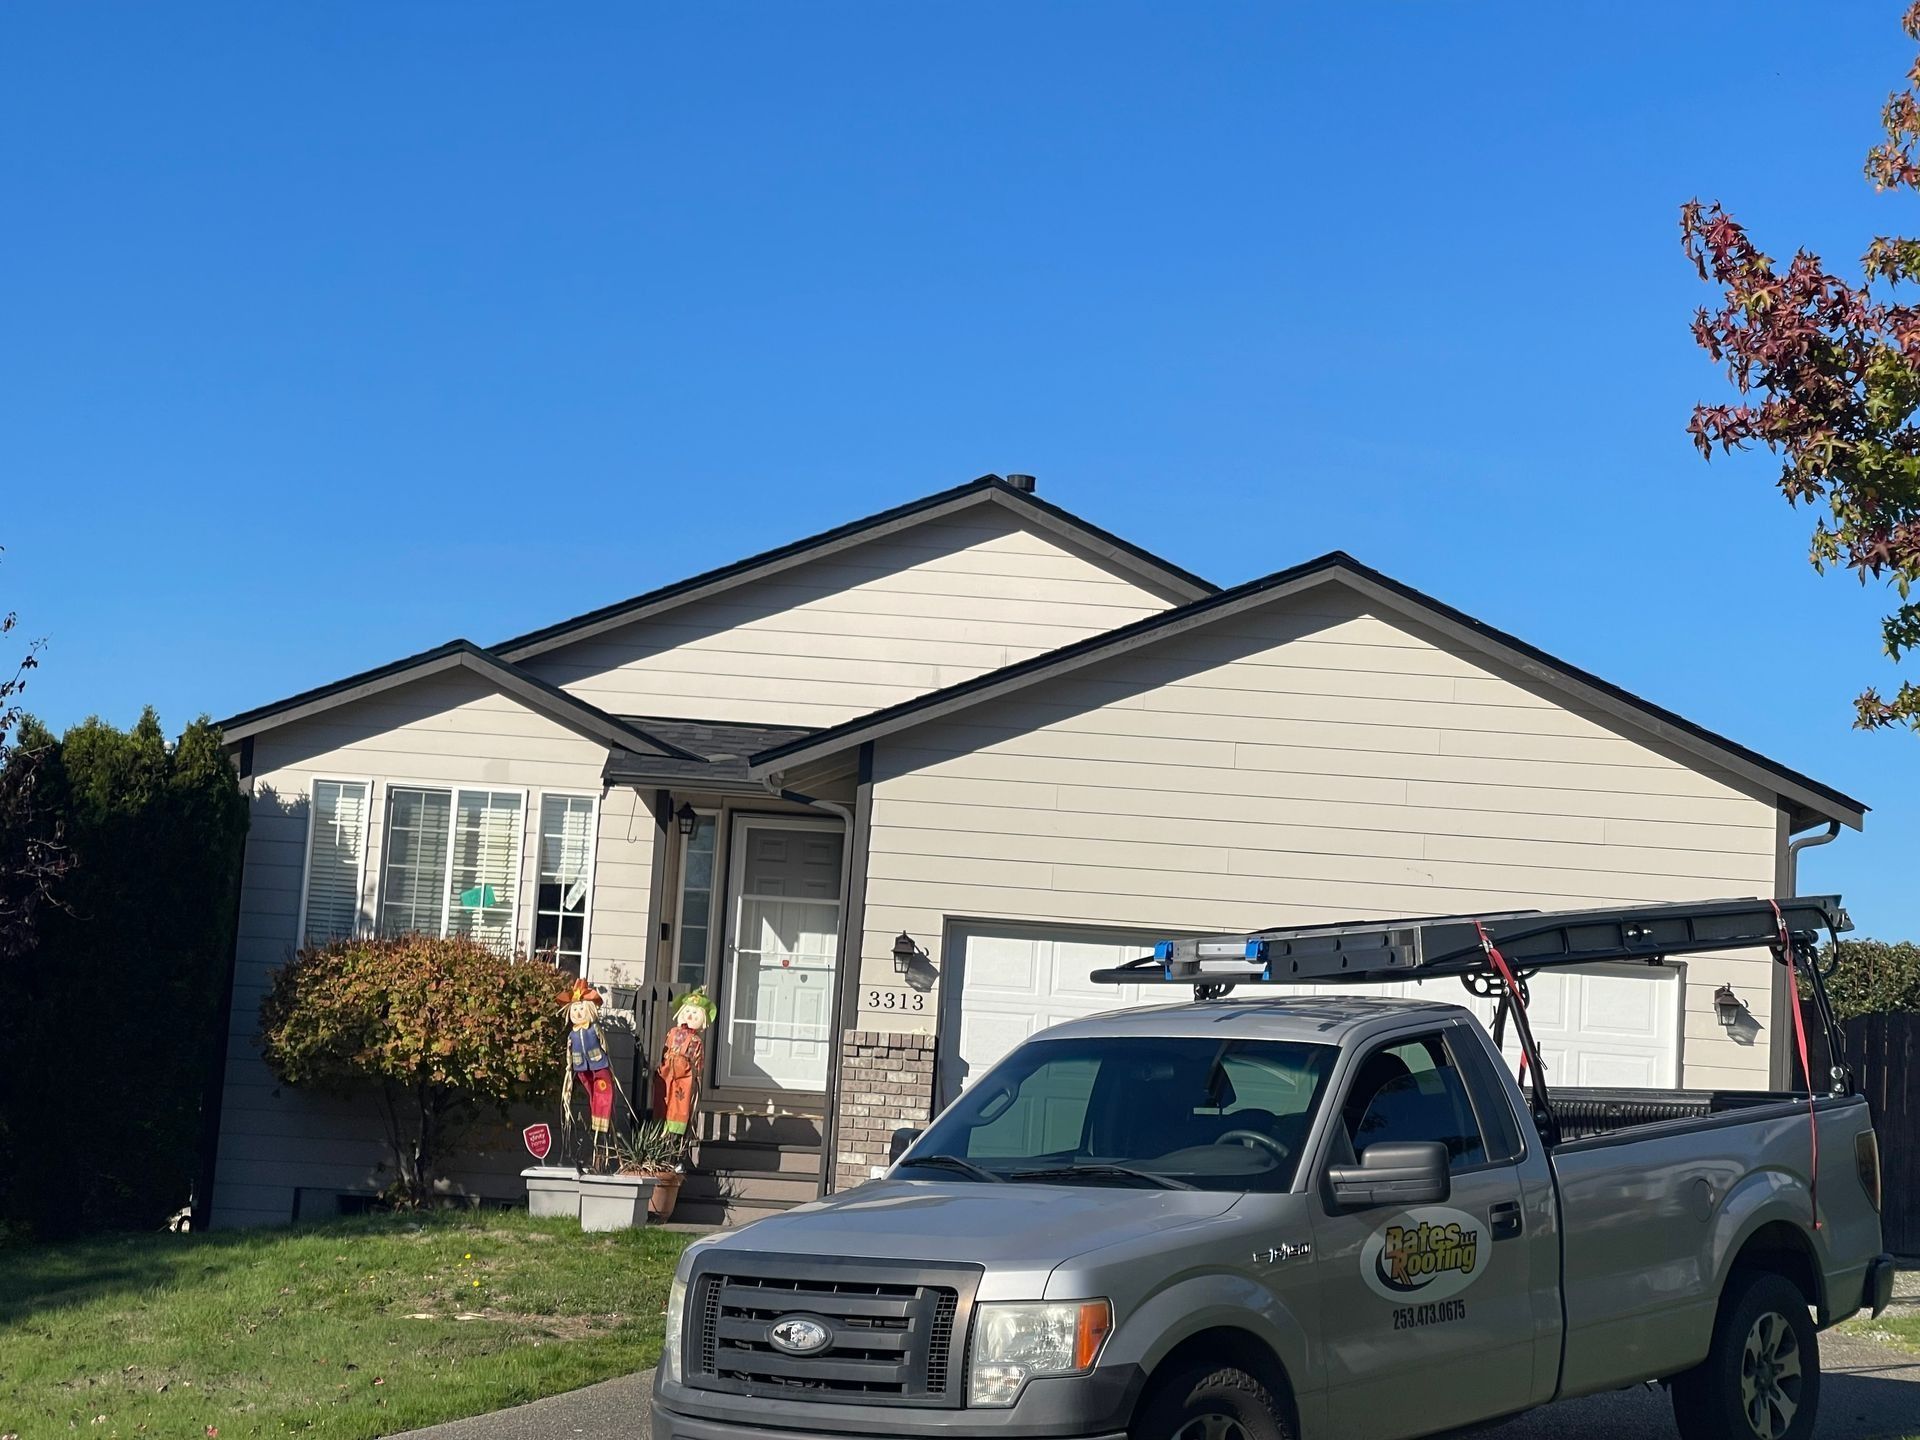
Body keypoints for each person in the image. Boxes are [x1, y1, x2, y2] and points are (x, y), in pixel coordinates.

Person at [654, 988, 715, 1137]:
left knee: (680, 1100)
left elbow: (698, 1061)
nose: (690, 1015)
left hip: (685, 1073)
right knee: (664, 1096)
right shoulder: (673, 1032)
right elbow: (665, 1048)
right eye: (688, 1011)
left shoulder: (696, 1040)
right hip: (668, 1067)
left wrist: (696, 1076)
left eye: (695, 1013)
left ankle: (675, 1135)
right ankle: (659, 1129)